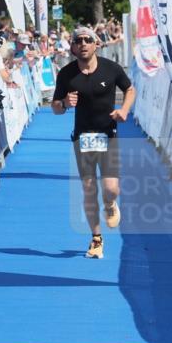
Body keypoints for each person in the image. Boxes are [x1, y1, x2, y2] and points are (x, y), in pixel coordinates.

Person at [52, 26, 135, 259]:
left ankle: (110, 205)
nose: (83, 44)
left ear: (96, 44)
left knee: (110, 189)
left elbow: (130, 90)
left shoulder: (111, 69)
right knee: (89, 189)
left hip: (108, 134)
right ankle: (96, 239)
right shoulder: (66, 74)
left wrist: (125, 110)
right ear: (73, 47)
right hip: (82, 137)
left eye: (88, 40)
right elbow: (55, 108)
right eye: (78, 41)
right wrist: (66, 104)